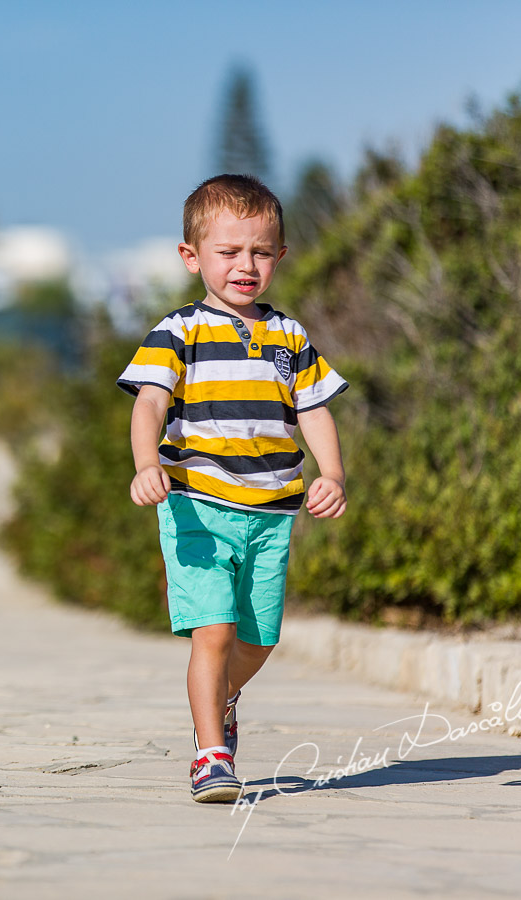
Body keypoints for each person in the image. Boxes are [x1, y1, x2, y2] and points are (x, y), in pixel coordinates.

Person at [117, 174, 348, 803]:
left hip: (272, 510)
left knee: (259, 640)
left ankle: (223, 697)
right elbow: (149, 405)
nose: (245, 265)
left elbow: (315, 411)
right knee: (213, 630)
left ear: (279, 256)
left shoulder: (290, 337)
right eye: (229, 252)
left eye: (260, 252)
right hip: (196, 504)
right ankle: (210, 753)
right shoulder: (179, 331)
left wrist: (331, 474)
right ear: (192, 257)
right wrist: (146, 464)